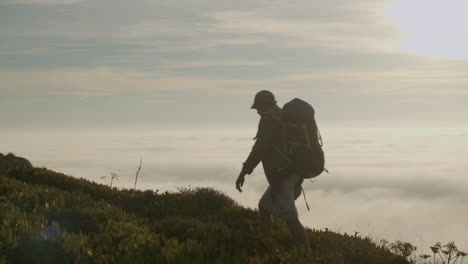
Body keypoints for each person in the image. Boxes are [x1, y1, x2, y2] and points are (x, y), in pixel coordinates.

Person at [235, 90, 311, 253]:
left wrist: (244, 171)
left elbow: (260, 149)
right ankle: (265, 245)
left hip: (282, 175)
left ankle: (306, 255)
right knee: (264, 207)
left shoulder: (269, 120)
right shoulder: (283, 117)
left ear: (263, 105)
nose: (257, 111)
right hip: (290, 173)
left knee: (290, 217)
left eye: (258, 107)